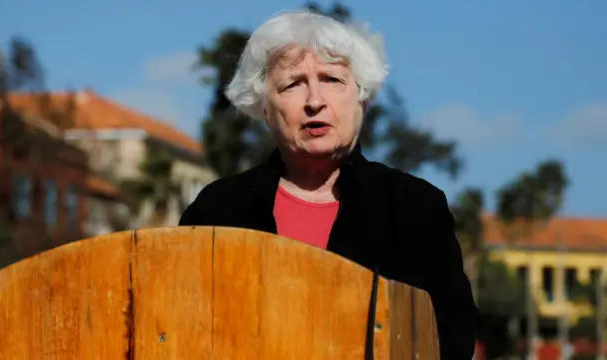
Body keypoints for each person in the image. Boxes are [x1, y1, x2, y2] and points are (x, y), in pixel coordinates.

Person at [179, 9, 478, 359]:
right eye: (292, 84)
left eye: (332, 80)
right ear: (263, 107)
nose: (315, 101)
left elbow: (451, 338)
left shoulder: (415, 207)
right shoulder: (217, 209)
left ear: (361, 98)